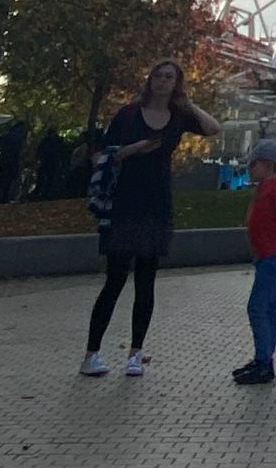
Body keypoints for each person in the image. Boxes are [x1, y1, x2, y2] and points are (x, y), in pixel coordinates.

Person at [80, 59, 219, 377]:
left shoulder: (179, 117)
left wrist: (189, 104)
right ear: (150, 79)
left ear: (177, 83)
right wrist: (134, 149)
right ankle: (91, 354)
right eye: (158, 75)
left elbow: (213, 129)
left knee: (146, 281)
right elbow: (104, 155)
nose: (162, 81)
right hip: (125, 201)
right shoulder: (128, 115)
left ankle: (135, 353)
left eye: (170, 77)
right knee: (114, 280)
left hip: (156, 202)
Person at [233, 139, 276, 385]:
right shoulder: (265, 186)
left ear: (267, 164)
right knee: (267, 308)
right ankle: (264, 358)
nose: (249, 168)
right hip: (268, 255)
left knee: (257, 308)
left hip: (273, 255)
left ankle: (263, 362)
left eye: (253, 163)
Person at [0, 117, 28, 206]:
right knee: (9, 180)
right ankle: (4, 198)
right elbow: (23, 150)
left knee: (1, 180)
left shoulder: (6, 135)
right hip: (13, 160)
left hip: (4, 160)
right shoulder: (19, 138)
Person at [31, 128, 71, 201]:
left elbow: (39, 151)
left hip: (51, 162)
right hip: (49, 162)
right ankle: (44, 192)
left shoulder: (50, 141)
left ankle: (46, 193)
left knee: (48, 178)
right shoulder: (52, 141)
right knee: (46, 178)